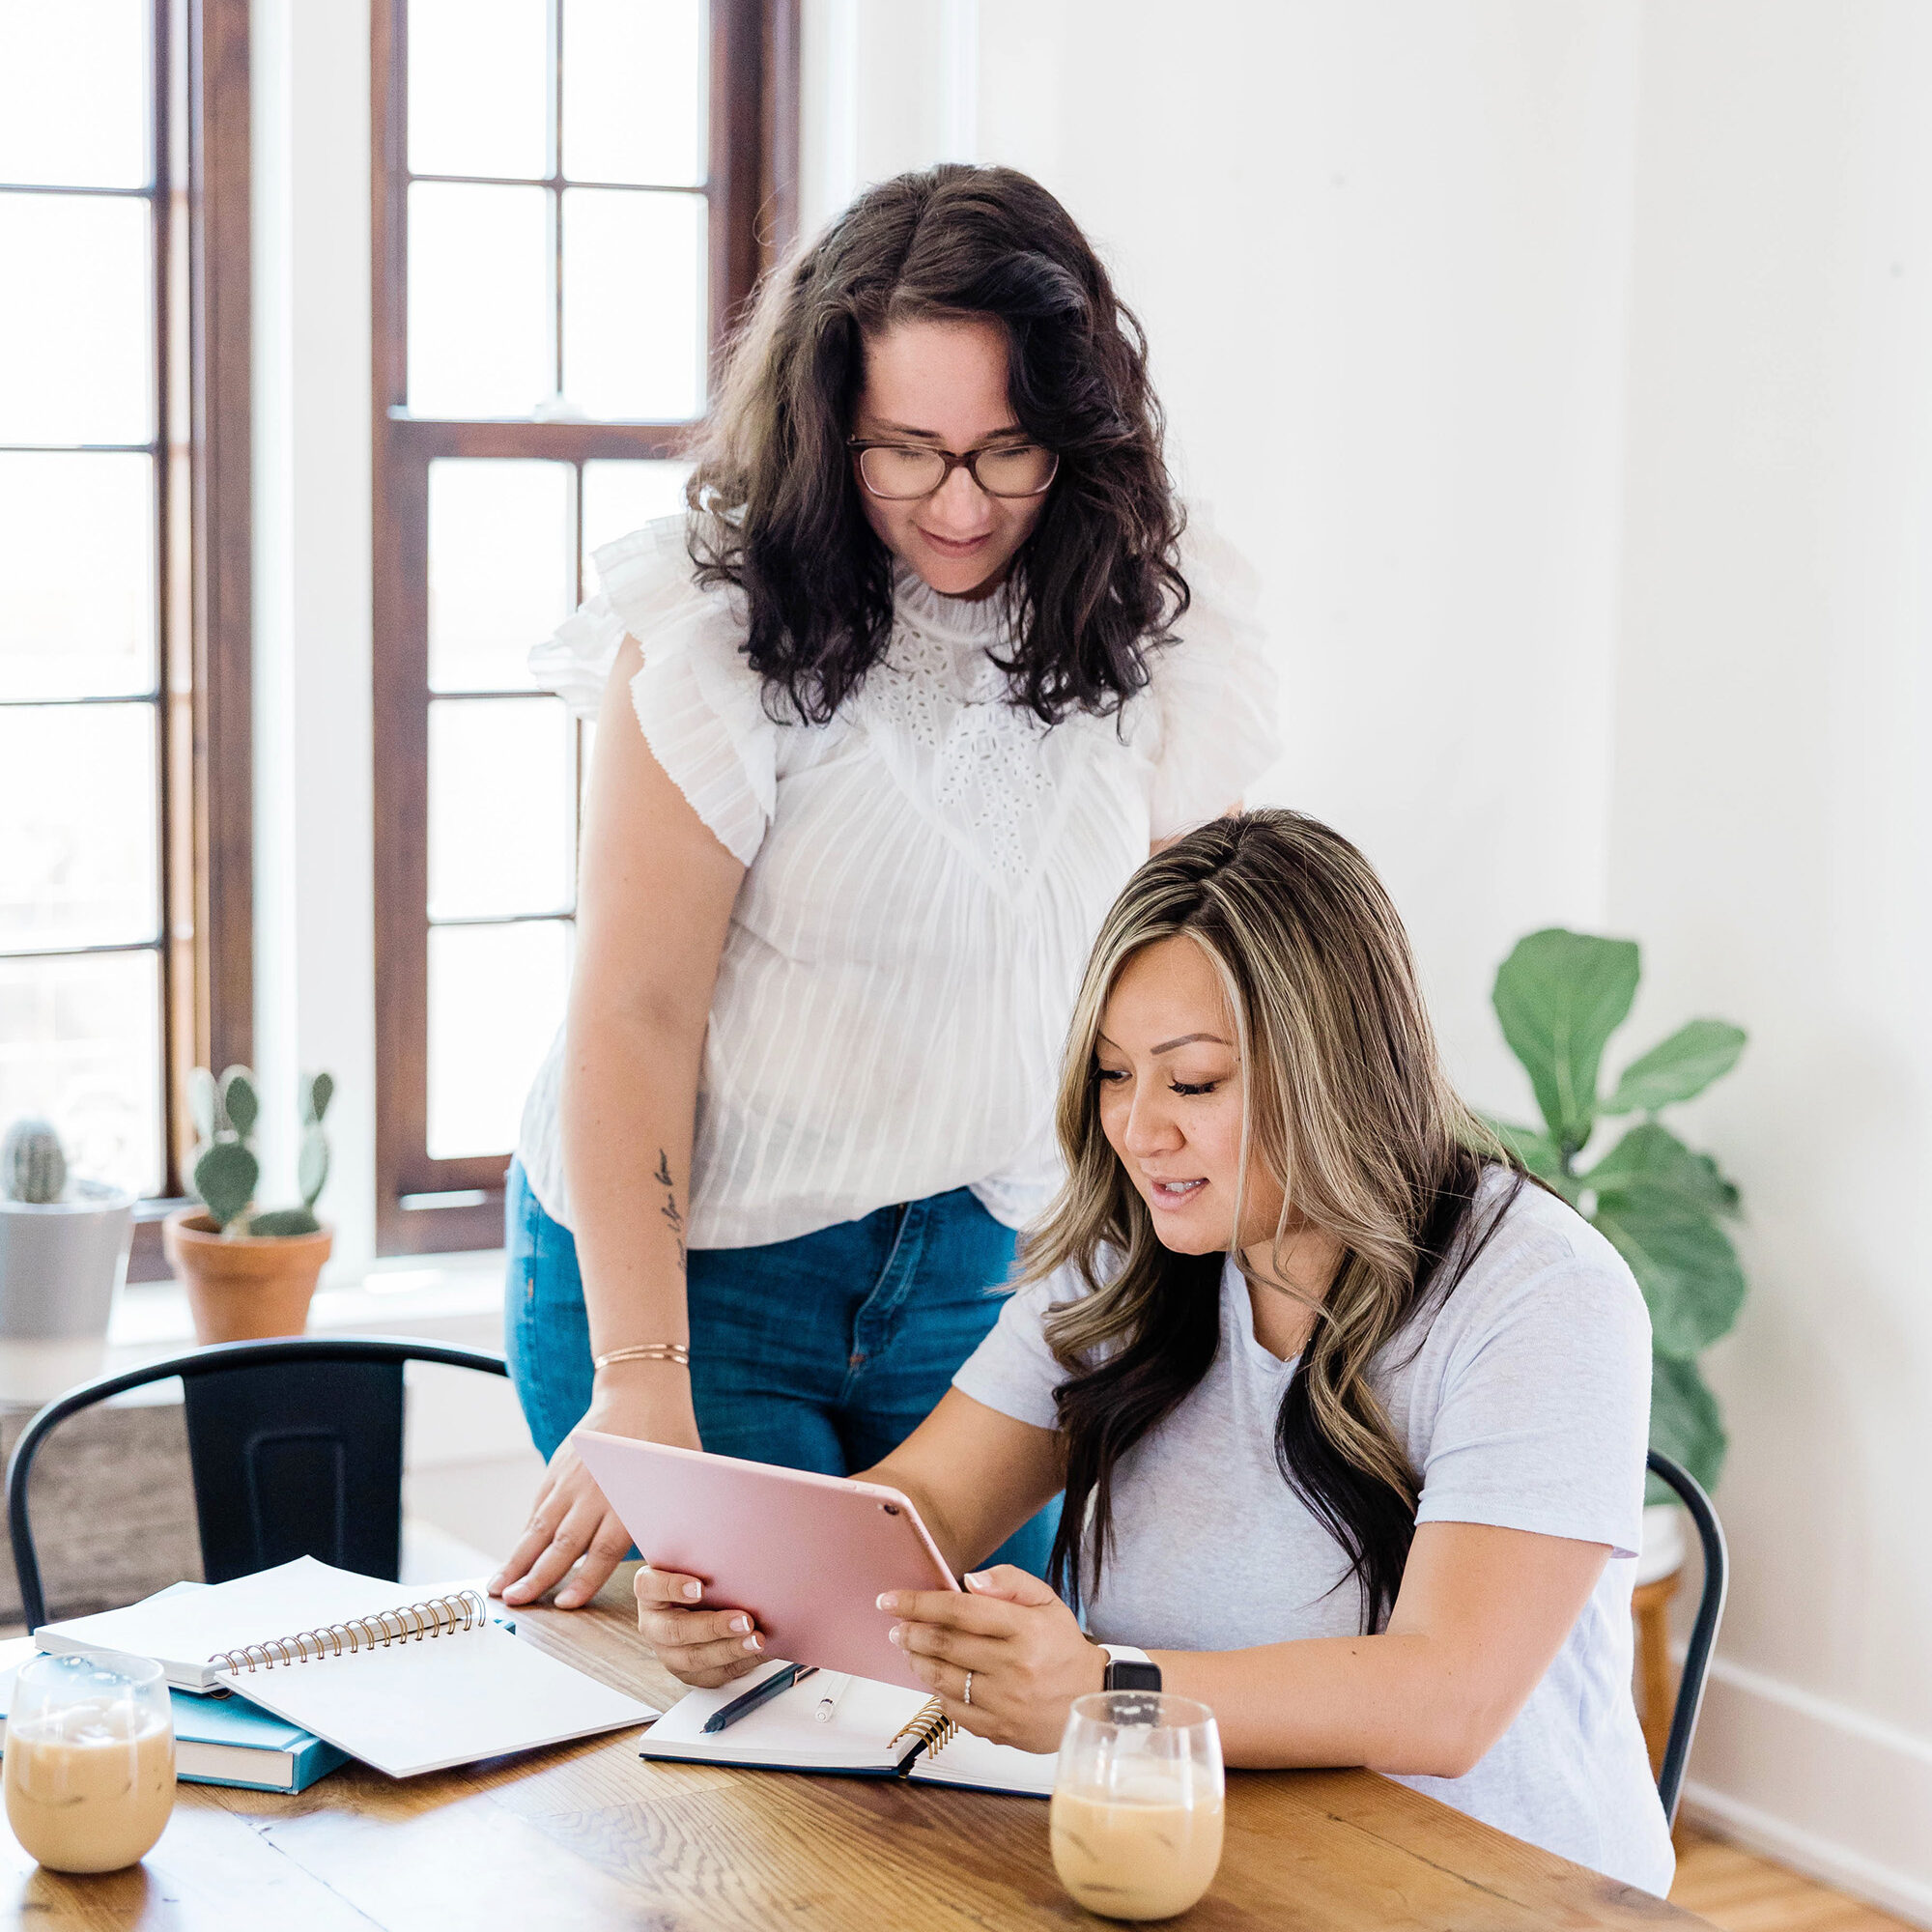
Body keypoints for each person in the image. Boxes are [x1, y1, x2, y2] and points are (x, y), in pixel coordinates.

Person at [491, 163, 1280, 1611]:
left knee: (972, 1703)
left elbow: (1197, 982)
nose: (960, 504)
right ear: (825, 425)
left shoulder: (1159, 619)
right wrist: (641, 1377)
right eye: (905, 452)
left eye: (1007, 450)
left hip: (994, 1276)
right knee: (747, 1714)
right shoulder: (715, 631)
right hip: (701, 1278)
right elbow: (634, 1012)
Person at [635, 810, 1676, 1895]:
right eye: (1111, 1074)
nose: (1138, 1130)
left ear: (1340, 1070)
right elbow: (923, 1507)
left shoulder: (1543, 1292)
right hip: (1191, 1855)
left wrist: (1106, 1689)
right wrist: (741, 1594)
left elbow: (1445, 1697)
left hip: (1488, 1887)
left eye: (1193, 1082)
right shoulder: (1125, 1259)